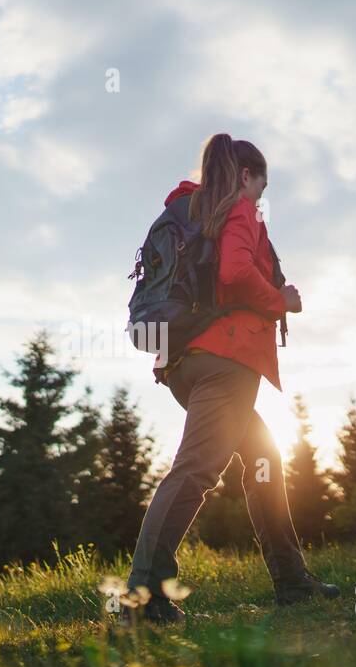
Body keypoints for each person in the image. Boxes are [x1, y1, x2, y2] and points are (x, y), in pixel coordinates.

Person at [122, 133, 340, 624]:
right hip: (225, 360)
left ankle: (291, 580)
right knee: (196, 470)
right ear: (246, 177)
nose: (259, 200)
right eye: (260, 189)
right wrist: (280, 300)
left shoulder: (189, 209)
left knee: (263, 457)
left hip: (182, 362)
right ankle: (142, 597)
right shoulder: (236, 209)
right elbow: (237, 273)